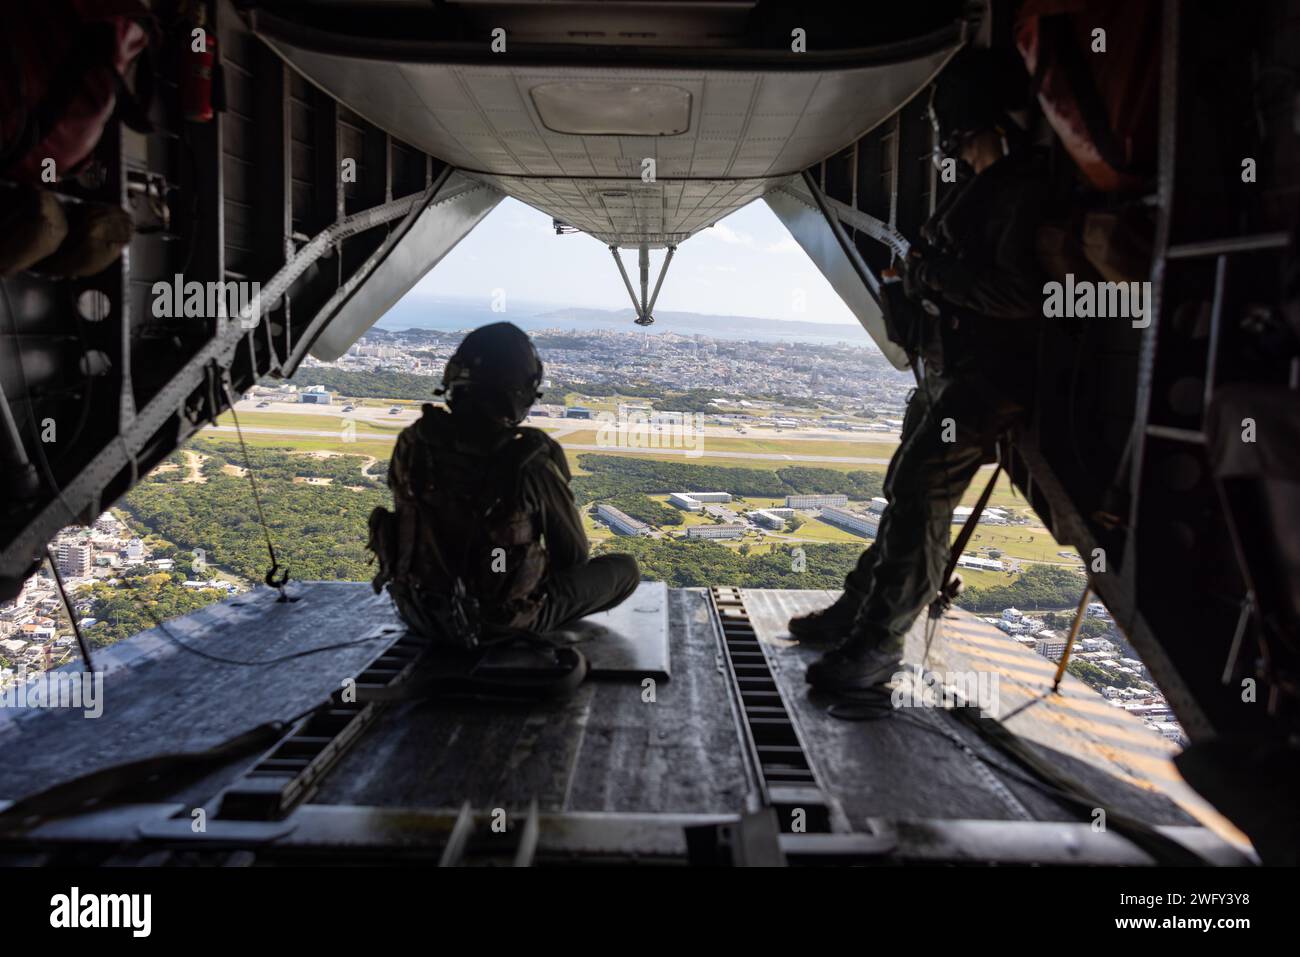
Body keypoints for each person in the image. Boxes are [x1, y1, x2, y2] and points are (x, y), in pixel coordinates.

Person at [790, 47, 1049, 691]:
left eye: (957, 131)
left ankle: (877, 644)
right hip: (950, 370)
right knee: (908, 492)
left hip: (988, 377)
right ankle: (862, 612)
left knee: (919, 490)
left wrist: (926, 275)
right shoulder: (988, 191)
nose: (954, 146)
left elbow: (1021, 295)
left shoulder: (1022, 193)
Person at [369, 321, 639, 645]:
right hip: (496, 625)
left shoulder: (412, 442)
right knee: (625, 569)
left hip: (418, 613)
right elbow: (573, 557)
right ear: (522, 391)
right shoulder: (529, 458)